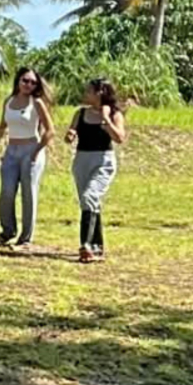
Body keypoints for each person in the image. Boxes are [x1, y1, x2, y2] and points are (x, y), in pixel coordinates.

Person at [0, 64, 54, 251]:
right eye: (25, 81)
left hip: (31, 150)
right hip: (11, 151)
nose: (28, 85)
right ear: (18, 81)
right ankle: (8, 230)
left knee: (28, 194)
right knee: (7, 192)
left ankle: (25, 238)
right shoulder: (9, 101)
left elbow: (50, 131)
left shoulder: (36, 103)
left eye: (33, 82)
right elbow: (2, 126)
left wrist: (37, 151)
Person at [64, 77, 126, 262]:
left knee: (89, 197)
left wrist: (106, 120)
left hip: (103, 161)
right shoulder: (80, 113)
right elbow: (70, 133)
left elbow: (119, 138)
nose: (85, 94)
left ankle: (86, 245)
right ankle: (97, 247)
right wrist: (70, 135)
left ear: (100, 92)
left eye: (89, 91)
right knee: (89, 203)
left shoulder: (114, 114)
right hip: (82, 161)